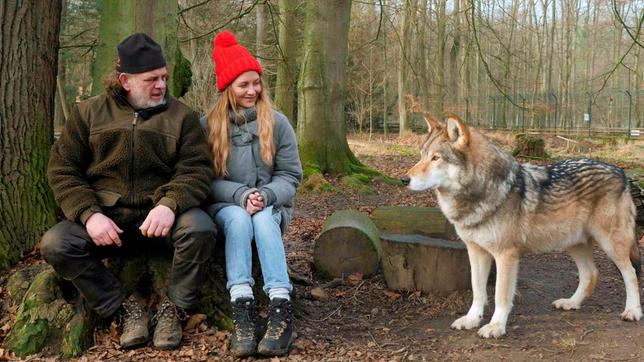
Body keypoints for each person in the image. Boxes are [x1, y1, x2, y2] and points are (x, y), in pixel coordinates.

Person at [40, 33, 217, 350]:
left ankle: (173, 310)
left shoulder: (182, 117)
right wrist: (89, 214)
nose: (161, 85)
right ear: (125, 80)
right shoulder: (88, 114)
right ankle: (123, 308)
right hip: (108, 222)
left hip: (159, 221)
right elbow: (63, 170)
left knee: (200, 228)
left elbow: (197, 170)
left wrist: (170, 203)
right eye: (152, 79)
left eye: (163, 77)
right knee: (56, 243)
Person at [205, 31, 302, 357]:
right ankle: (243, 309)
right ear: (228, 87)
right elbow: (205, 180)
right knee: (239, 220)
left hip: (271, 205)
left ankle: (280, 305)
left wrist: (264, 196)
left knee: (260, 219)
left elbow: (290, 175)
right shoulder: (208, 126)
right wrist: (241, 195)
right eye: (243, 85)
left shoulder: (277, 123)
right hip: (226, 206)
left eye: (256, 83)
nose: (252, 90)